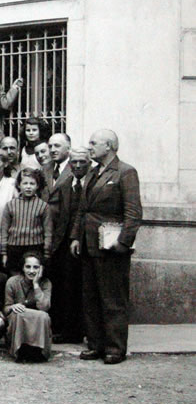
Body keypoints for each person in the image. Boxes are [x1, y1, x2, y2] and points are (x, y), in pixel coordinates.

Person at [71, 129, 142, 365]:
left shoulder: (125, 172)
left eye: (94, 143)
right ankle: (96, 344)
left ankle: (115, 347)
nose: (89, 147)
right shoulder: (93, 172)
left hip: (111, 247)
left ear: (109, 146)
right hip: (90, 244)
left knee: (113, 298)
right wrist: (75, 237)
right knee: (90, 297)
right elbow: (83, 209)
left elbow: (133, 212)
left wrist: (123, 243)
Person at [47, 147, 88, 344]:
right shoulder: (65, 184)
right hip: (63, 243)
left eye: (83, 162)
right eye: (75, 162)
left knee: (83, 287)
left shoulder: (92, 183)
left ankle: (82, 329)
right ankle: (66, 329)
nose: (78, 166)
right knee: (65, 286)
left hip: (86, 242)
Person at [0, 167, 53, 275]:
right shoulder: (10, 205)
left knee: (33, 277)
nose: (28, 187)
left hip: (35, 248)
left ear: (38, 186)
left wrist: (46, 254)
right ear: (19, 185)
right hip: (14, 248)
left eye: (32, 184)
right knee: (15, 277)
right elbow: (4, 230)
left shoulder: (43, 206)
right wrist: (4, 253)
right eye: (25, 183)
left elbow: (48, 232)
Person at [4, 252, 53, 362]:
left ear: (41, 269)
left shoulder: (46, 283)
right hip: (18, 320)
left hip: (37, 322)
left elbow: (44, 307)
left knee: (43, 316)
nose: (31, 271)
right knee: (18, 314)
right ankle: (20, 350)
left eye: (35, 267)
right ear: (22, 267)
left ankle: (38, 350)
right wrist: (13, 306)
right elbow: (5, 309)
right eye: (28, 267)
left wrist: (36, 285)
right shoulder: (12, 282)